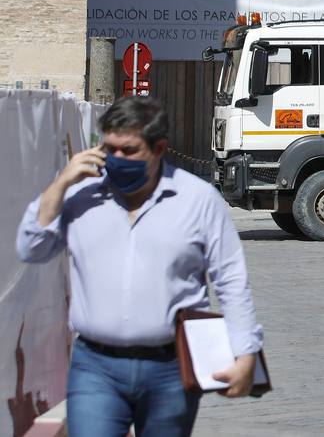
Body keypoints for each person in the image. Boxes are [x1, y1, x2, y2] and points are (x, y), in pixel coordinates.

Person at [15, 96, 264, 436]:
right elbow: (31, 248)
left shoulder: (198, 200)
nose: (117, 159)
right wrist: (60, 183)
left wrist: (245, 352)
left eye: (129, 151)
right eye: (109, 148)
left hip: (170, 368)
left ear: (159, 147)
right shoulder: (80, 196)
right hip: (95, 368)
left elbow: (231, 280)